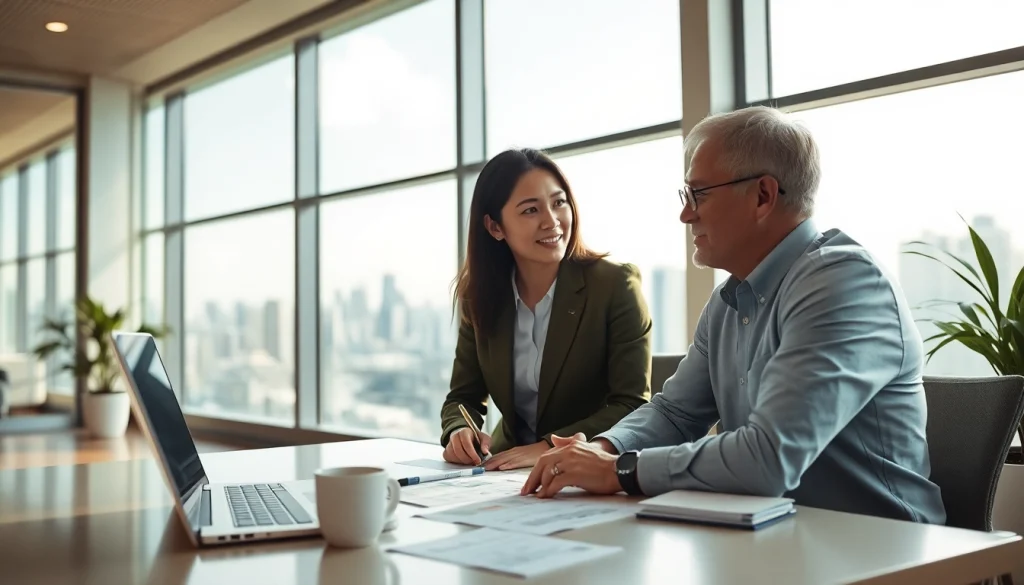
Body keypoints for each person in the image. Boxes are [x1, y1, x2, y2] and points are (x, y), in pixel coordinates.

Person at [521, 106, 947, 524]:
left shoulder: (843, 282)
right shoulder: (730, 300)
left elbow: (769, 459)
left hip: (882, 548)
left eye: (698, 194)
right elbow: (675, 413)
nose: (685, 214)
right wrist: (605, 449)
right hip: (774, 537)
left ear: (762, 195)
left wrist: (620, 471)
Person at [440, 147, 653, 472]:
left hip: (589, 469)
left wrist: (549, 446)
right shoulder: (481, 296)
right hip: (504, 471)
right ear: (495, 227)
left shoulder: (615, 285)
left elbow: (632, 404)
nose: (552, 221)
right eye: (530, 210)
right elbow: (463, 397)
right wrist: (459, 430)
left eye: (559, 203)